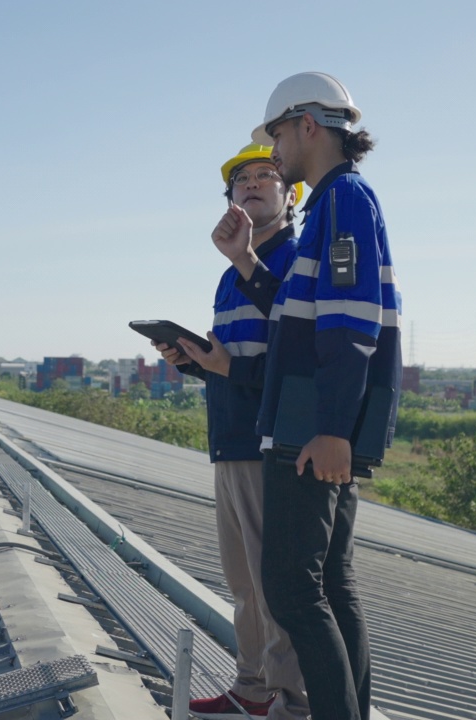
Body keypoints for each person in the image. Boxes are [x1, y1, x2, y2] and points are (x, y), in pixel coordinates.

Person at [211, 72, 402, 720]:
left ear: (307, 127)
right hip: (311, 421)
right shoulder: (332, 204)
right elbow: (301, 313)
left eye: (277, 141)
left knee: (292, 588)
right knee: (333, 586)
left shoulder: (343, 200)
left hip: (310, 427)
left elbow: (350, 320)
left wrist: (331, 428)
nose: (275, 157)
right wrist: (247, 264)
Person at [154, 144, 308, 720]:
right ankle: (251, 688)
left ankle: (292, 705)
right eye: (241, 179)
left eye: (267, 175)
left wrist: (246, 263)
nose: (252, 184)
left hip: (270, 446)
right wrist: (193, 361)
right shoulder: (228, 276)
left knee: (276, 588)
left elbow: (297, 363)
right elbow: (239, 361)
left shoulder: (297, 262)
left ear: (290, 194)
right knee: (243, 584)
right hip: (230, 439)